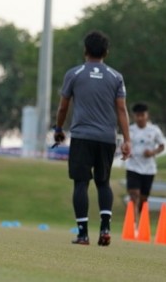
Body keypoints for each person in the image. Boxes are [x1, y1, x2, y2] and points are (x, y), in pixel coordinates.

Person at [54, 30, 131, 246]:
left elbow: (63, 106)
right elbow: (122, 110)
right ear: (106, 52)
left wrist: (58, 128)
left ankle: (83, 233)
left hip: (82, 136)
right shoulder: (116, 77)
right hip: (107, 137)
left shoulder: (74, 74)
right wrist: (127, 140)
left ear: (85, 50)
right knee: (103, 182)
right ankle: (105, 229)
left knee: (81, 183)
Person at [126, 102, 165, 218]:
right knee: (134, 194)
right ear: (134, 116)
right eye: (137, 115)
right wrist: (127, 151)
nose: (140, 118)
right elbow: (123, 144)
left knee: (143, 198)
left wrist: (152, 152)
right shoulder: (129, 130)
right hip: (133, 167)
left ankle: (141, 220)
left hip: (149, 169)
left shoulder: (154, 130)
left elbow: (162, 146)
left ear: (147, 115)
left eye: (142, 115)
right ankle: (133, 222)